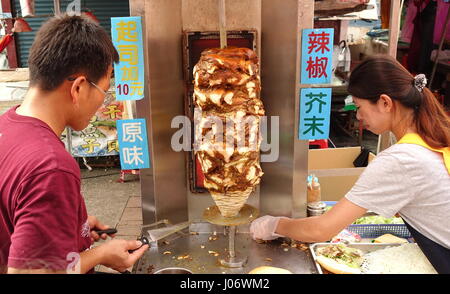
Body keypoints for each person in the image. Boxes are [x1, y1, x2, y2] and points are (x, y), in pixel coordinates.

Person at [250, 55, 450, 273]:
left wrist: (275, 225)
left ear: (385, 102)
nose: (358, 115)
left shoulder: (401, 159)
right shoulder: (433, 138)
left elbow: (321, 230)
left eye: (359, 106)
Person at [0, 14, 148, 274]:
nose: (102, 102)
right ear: (79, 88)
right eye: (103, 90)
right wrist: (100, 254)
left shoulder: (6, 125)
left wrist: (70, 228)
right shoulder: (51, 167)